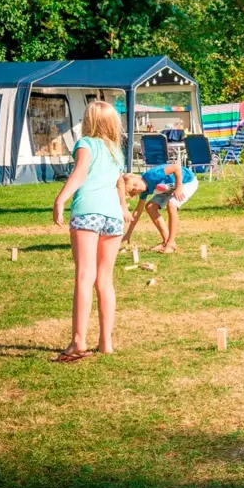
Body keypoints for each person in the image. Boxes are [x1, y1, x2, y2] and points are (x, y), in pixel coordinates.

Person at [51, 100, 130, 363]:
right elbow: (119, 184)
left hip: (88, 212)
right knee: (105, 280)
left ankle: (78, 341)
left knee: (85, 276)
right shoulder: (116, 151)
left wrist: (61, 199)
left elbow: (80, 173)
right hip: (113, 217)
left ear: (89, 120)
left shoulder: (85, 144)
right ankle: (106, 342)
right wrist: (123, 208)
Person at [122, 161, 199, 253]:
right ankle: (166, 241)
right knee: (150, 207)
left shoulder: (152, 176)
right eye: (133, 190)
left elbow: (176, 167)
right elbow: (137, 212)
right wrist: (128, 234)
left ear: (137, 177)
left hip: (187, 181)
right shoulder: (144, 190)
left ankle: (171, 243)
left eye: (135, 184)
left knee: (172, 205)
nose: (137, 188)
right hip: (169, 187)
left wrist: (179, 187)